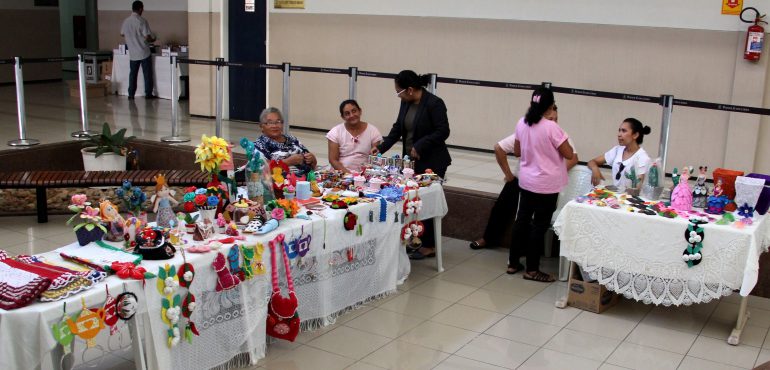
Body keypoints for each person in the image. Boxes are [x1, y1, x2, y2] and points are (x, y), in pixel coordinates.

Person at [470, 104, 577, 251]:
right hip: (522, 180)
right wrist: (508, 175)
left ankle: (524, 252)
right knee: (502, 207)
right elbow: (499, 148)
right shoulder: (528, 130)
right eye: (549, 118)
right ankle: (488, 238)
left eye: (555, 119)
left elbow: (573, 158)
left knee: (534, 218)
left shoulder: (560, 134)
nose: (552, 122)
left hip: (545, 185)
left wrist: (554, 174)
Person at [374, 70, 452, 260]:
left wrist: (420, 145)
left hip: (432, 162)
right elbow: (398, 128)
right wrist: (381, 148)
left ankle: (429, 245)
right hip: (410, 162)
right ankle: (415, 239)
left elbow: (443, 131)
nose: (398, 95)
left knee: (427, 201)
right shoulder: (406, 102)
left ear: (410, 89)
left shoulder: (434, 103)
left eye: (398, 91)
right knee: (413, 200)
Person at [508, 87, 573, 282]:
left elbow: (517, 151)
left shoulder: (522, 122)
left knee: (522, 220)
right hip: (546, 184)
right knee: (539, 226)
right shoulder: (552, 127)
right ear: (550, 106)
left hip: (526, 181)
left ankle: (513, 263)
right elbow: (569, 153)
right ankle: (532, 269)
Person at [587, 118, 652, 190]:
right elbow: (592, 162)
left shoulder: (643, 157)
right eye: (619, 130)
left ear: (635, 135)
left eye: (624, 131)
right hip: (614, 195)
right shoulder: (617, 150)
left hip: (630, 198)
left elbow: (637, 187)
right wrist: (595, 169)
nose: (619, 135)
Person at [254, 107, 317, 176]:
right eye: (270, 122)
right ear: (261, 126)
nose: (275, 126)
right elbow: (259, 171)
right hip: (279, 184)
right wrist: (287, 162)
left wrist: (312, 159)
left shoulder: (292, 139)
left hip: (306, 181)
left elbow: (313, 165)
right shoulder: (259, 145)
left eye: (278, 122)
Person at [327, 100, 383, 173]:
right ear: (342, 117)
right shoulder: (335, 132)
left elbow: (375, 159)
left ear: (360, 111)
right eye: (347, 114)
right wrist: (349, 174)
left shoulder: (373, 131)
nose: (352, 115)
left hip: (365, 174)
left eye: (354, 111)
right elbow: (333, 160)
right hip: (341, 174)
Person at [120, 1, 156, 99]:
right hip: (144, 52)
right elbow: (148, 37)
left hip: (133, 53)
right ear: (140, 9)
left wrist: (131, 36)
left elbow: (122, 33)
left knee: (133, 74)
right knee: (147, 74)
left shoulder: (126, 21)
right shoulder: (142, 21)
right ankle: (148, 93)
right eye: (142, 8)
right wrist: (154, 38)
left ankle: (131, 94)